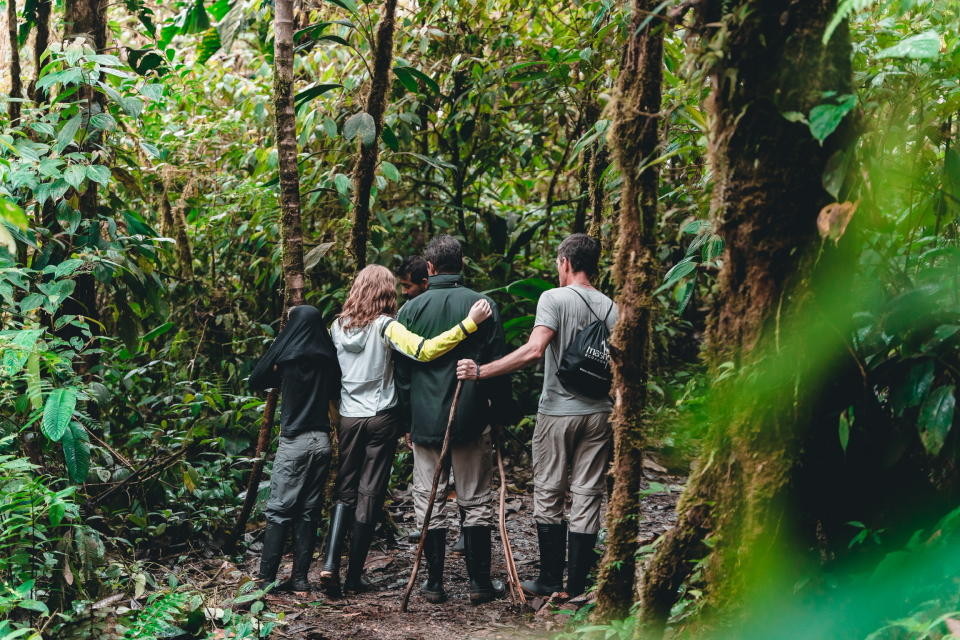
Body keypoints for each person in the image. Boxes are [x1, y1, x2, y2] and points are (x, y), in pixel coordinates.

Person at [456, 233, 617, 598]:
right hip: (599, 414)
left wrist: (481, 371)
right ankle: (576, 585)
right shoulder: (612, 306)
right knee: (588, 493)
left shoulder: (553, 298)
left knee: (549, 492)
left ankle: (548, 579)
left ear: (565, 262)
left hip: (558, 412)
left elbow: (533, 351)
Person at [320, 264, 493, 597]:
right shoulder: (387, 327)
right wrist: (469, 324)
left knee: (344, 491)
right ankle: (354, 576)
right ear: (386, 293)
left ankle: (329, 565)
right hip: (380, 418)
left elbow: (331, 375)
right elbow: (425, 350)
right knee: (369, 494)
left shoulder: (336, 328)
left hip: (348, 418)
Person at [395, 234, 513, 605]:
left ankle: (433, 584)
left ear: (429, 268)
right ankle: (479, 583)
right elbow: (498, 367)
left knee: (428, 499)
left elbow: (401, 375)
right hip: (472, 418)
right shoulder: (483, 305)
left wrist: (406, 422)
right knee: (475, 500)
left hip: (426, 422)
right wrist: (500, 415)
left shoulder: (410, 310)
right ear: (462, 264)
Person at [249, 305, 340, 593]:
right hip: (321, 441)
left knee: (278, 510)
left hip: (295, 442)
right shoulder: (329, 358)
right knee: (309, 511)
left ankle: (265, 580)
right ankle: (300, 579)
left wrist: (281, 341)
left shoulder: (286, 359)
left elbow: (257, 379)